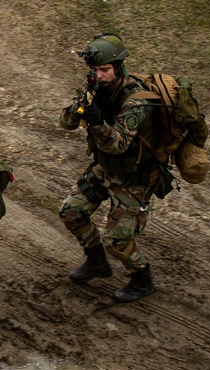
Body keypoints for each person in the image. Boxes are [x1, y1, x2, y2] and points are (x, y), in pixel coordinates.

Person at [57, 33, 164, 302]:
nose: (99, 76)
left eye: (105, 70)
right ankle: (97, 263)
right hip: (107, 168)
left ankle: (142, 278)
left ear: (119, 67)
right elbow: (66, 123)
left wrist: (96, 123)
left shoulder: (136, 101)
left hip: (135, 177)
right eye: (94, 70)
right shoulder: (93, 87)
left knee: (117, 240)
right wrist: (80, 106)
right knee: (71, 212)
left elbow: (118, 144)